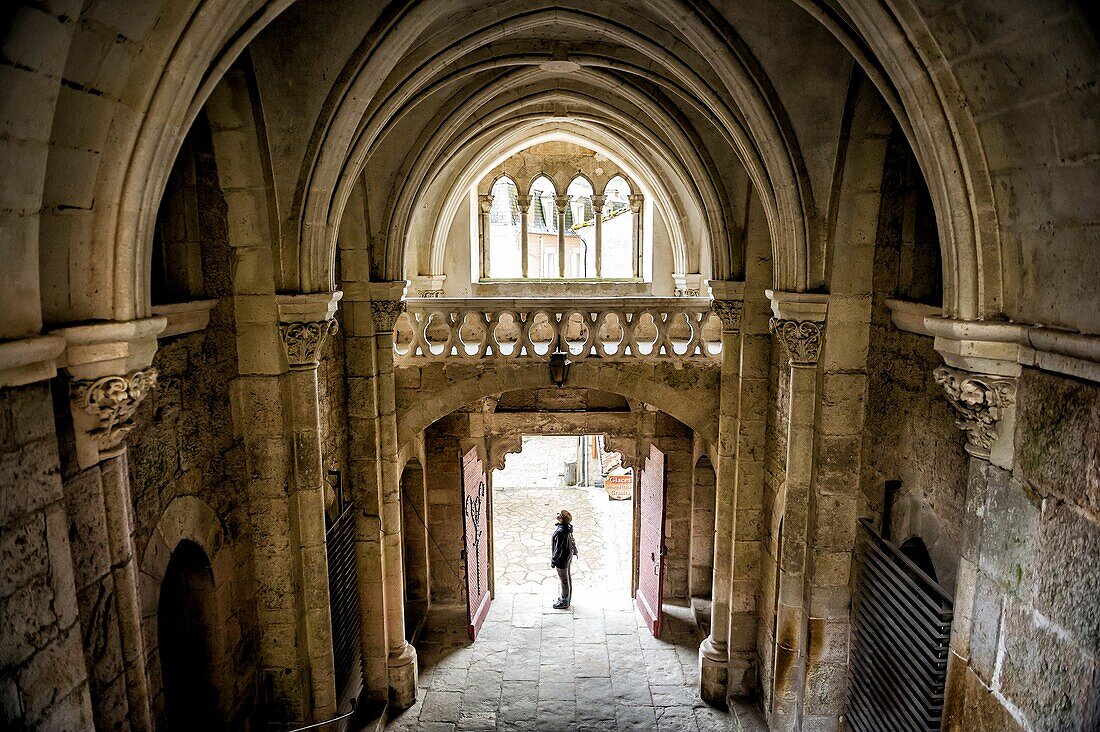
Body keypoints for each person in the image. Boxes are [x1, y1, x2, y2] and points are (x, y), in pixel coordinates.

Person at [550, 509, 578, 609]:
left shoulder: (560, 532)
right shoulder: (568, 528)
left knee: (564, 580)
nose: (557, 514)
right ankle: (567, 597)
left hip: (562, 559)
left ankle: (564, 601)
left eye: (559, 514)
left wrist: (553, 561)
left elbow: (558, 549)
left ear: (561, 519)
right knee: (568, 577)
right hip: (568, 555)